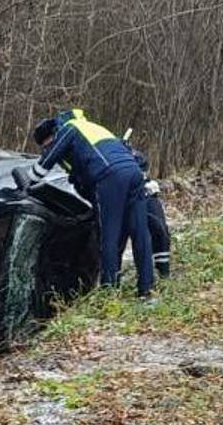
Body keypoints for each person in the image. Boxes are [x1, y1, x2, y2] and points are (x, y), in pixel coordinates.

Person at [32, 108, 155, 297]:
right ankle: (147, 290)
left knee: (108, 236)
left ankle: (109, 293)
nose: (47, 148)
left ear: (51, 135)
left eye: (46, 144)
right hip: (133, 172)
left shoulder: (68, 129)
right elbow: (82, 173)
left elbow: (48, 161)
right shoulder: (91, 128)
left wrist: (29, 180)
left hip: (109, 176)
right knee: (140, 233)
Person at [130, 147, 171, 278]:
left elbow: (142, 161)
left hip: (144, 192)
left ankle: (162, 271)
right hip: (123, 193)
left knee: (159, 231)